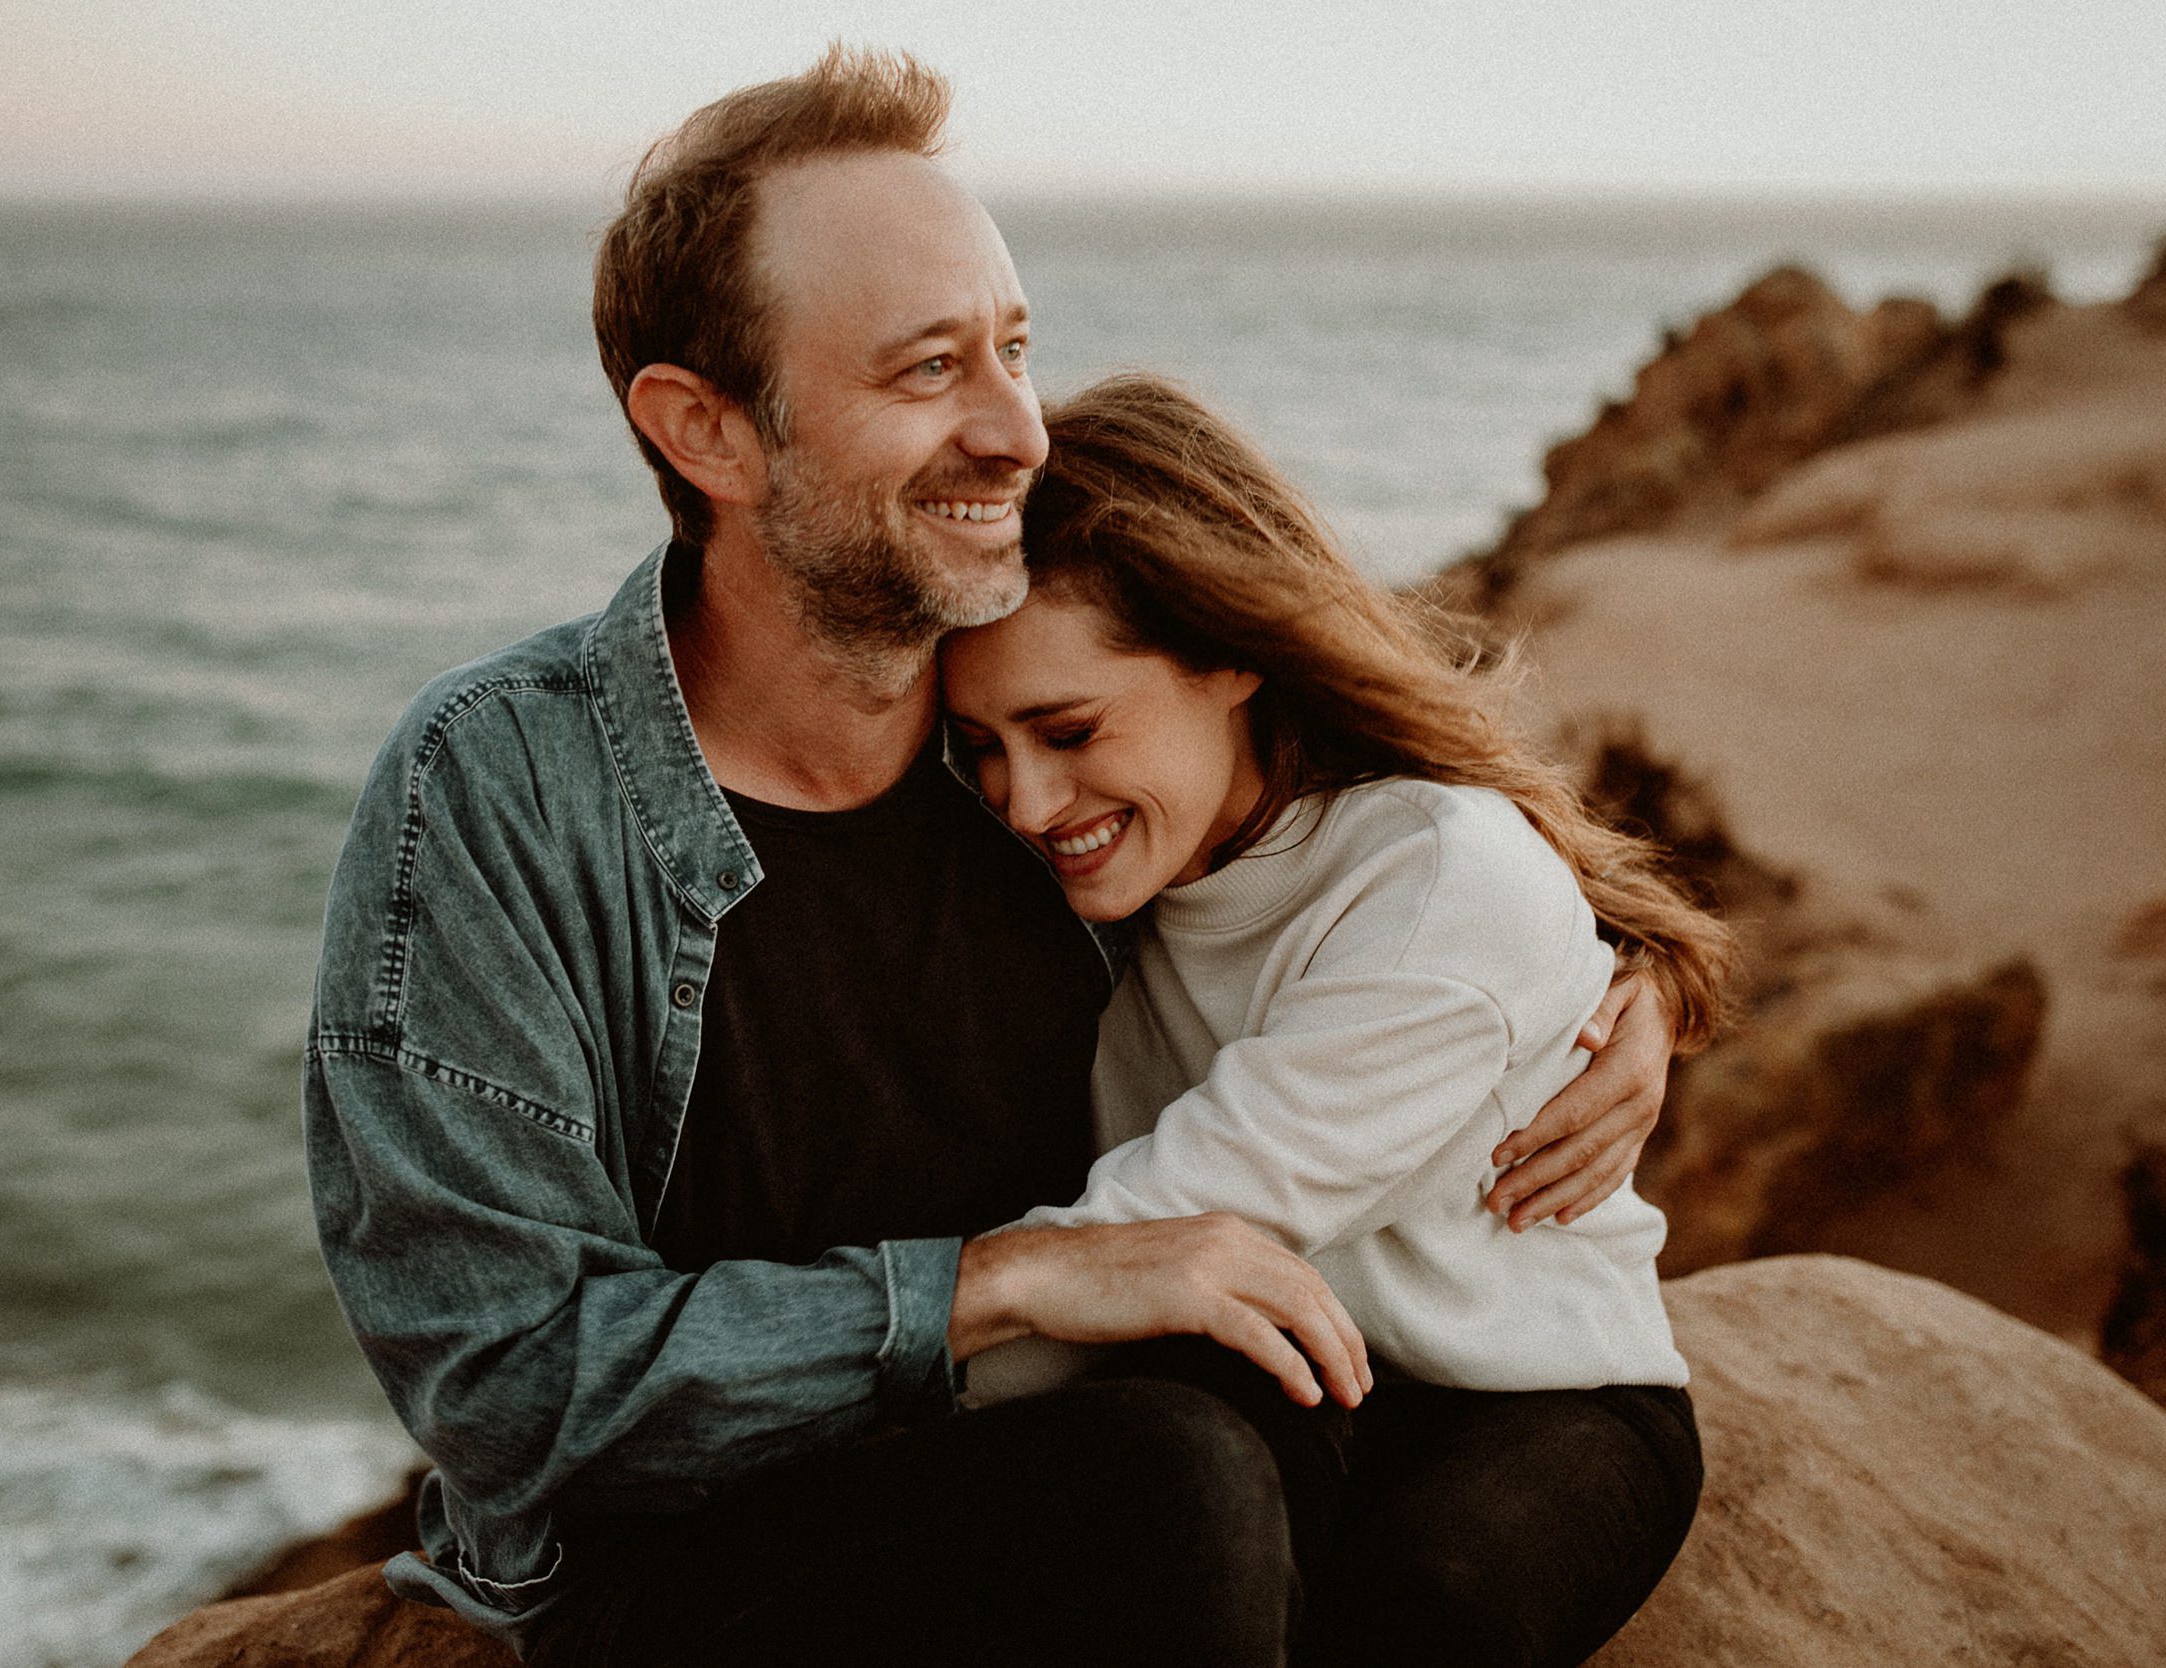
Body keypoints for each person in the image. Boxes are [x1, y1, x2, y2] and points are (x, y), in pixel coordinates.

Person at [302, 46, 1688, 1666]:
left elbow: (1374, 859)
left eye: (1017, 352)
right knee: (1179, 1472)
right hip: (709, 1567)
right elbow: (506, 1388)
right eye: (928, 370)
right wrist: (1000, 1288)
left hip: (1090, 1461)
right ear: (709, 433)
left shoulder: (1045, 765)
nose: (1018, 430)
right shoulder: (501, 795)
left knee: (1224, 1455)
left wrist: (1628, 988)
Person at [942, 372, 1734, 1665]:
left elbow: (1178, 1219)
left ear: (1237, 652)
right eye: (981, 746)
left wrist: (818, 1366)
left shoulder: (1432, 879)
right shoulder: (1097, 865)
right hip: (1265, 1367)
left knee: (1412, 1616)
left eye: (1069, 729)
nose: (1026, 802)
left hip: (1532, 1398)